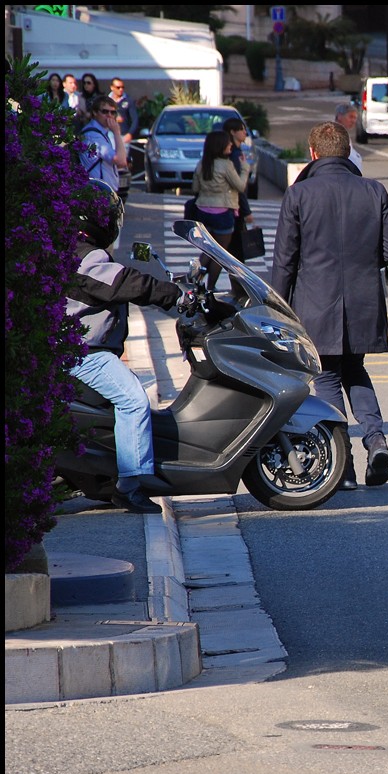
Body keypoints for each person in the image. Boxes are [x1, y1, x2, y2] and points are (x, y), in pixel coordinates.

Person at [271, 121, 388, 490]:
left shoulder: (299, 194)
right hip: (363, 301)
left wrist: (277, 308)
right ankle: (376, 440)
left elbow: (284, 261)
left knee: (327, 376)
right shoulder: (373, 190)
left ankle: (341, 465)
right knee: (355, 372)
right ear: (346, 151)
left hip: (314, 302)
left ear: (312, 154)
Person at [65, 179, 186, 513]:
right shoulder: (84, 258)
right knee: (133, 399)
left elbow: (125, 275)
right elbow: (122, 282)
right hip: (81, 352)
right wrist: (172, 295)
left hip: (81, 347)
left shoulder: (72, 250)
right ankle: (130, 486)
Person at [191, 129, 248, 288]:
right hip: (222, 212)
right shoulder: (226, 165)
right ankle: (210, 287)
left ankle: (195, 281)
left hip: (202, 211)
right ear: (220, 145)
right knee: (220, 253)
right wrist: (244, 168)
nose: (230, 144)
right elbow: (240, 186)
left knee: (208, 249)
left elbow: (195, 188)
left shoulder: (202, 164)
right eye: (227, 142)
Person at [221, 117, 255, 260]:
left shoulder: (237, 152)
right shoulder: (233, 155)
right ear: (232, 132)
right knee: (233, 252)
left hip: (234, 206)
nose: (245, 132)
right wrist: (246, 211)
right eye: (241, 129)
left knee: (231, 251)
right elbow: (239, 187)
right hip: (234, 207)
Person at [79, 96, 129, 193]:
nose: (109, 115)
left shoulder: (100, 133)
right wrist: (117, 133)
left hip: (103, 191)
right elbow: (121, 161)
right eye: (105, 112)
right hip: (98, 192)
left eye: (113, 112)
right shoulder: (93, 135)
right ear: (95, 112)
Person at [108, 77, 140, 145]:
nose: (121, 89)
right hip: (109, 134)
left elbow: (135, 119)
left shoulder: (128, 100)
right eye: (118, 87)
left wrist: (130, 134)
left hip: (123, 135)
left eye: (122, 87)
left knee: (122, 155)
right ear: (112, 87)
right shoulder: (106, 101)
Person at [334, 102, 363, 171]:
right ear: (340, 117)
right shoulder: (334, 134)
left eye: (355, 118)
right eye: (351, 117)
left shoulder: (344, 134)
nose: (353, 121)